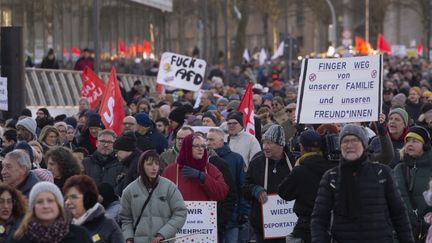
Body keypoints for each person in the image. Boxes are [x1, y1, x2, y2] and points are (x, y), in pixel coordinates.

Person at [311, 124, 414, 242]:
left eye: (355, 140)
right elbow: (319, 218)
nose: (349, 145)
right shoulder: (331, 177)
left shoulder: (382, 173)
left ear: (363, 144)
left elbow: (399, 213)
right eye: (345, 141)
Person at [278, 129, 336, 243]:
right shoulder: (332, 167)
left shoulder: (300, 170)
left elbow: (283, 192)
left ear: (302, 147)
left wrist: (296, 168)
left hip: (306, 228)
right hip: (331, 225)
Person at [119, 150, 187, 243]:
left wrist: (163, 234)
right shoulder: (129, 190)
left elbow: (180, 213)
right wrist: (129, 238)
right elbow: (125, 219)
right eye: (150, 164)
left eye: (157, 164)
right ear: (142, 166)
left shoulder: (169, 187)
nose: (154, 168)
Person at [242, 124, 294, 242]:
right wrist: (255, 190)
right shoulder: (257, 162)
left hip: (289, 225)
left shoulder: (293, 161)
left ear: (280, 144)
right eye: (264, 142)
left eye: (269, 143)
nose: (265, 147)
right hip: (263, 226)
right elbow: (245, 187)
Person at [11, 181, 93, 243]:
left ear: (59, 205)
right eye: (39, 201)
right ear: (33, 208)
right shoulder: (21, 238)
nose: (45, 206)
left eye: (50, 201)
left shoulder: (80, 235)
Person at [206, 128, 250, 242]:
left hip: (232, 215)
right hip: (212, 215)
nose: (208, 143)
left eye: (211, 140)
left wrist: (243, 212)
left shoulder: (236, 159)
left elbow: (242, 186)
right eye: (207, 139)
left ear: (221, 141)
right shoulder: (204, 159)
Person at [162, 133, 229, 201]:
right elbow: (162, 195)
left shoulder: (210, 169)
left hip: (204, 211)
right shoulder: (171, 170)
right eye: (196, 146)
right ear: (187, 147)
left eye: (203, 146)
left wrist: (204, 177)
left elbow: (222, 194)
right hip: (178, 211)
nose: (200, 149)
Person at [394, 126, 432, 241]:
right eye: (407, 141)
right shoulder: (398, 169)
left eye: (415, 141)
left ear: (425, 145)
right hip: (404, 230)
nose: (410, 144)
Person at [63, 175, 124, 243]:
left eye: (74, 197)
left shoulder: (109, 225)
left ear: (87, 198)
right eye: (66, 198)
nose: (67, 202)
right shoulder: (63, 228)